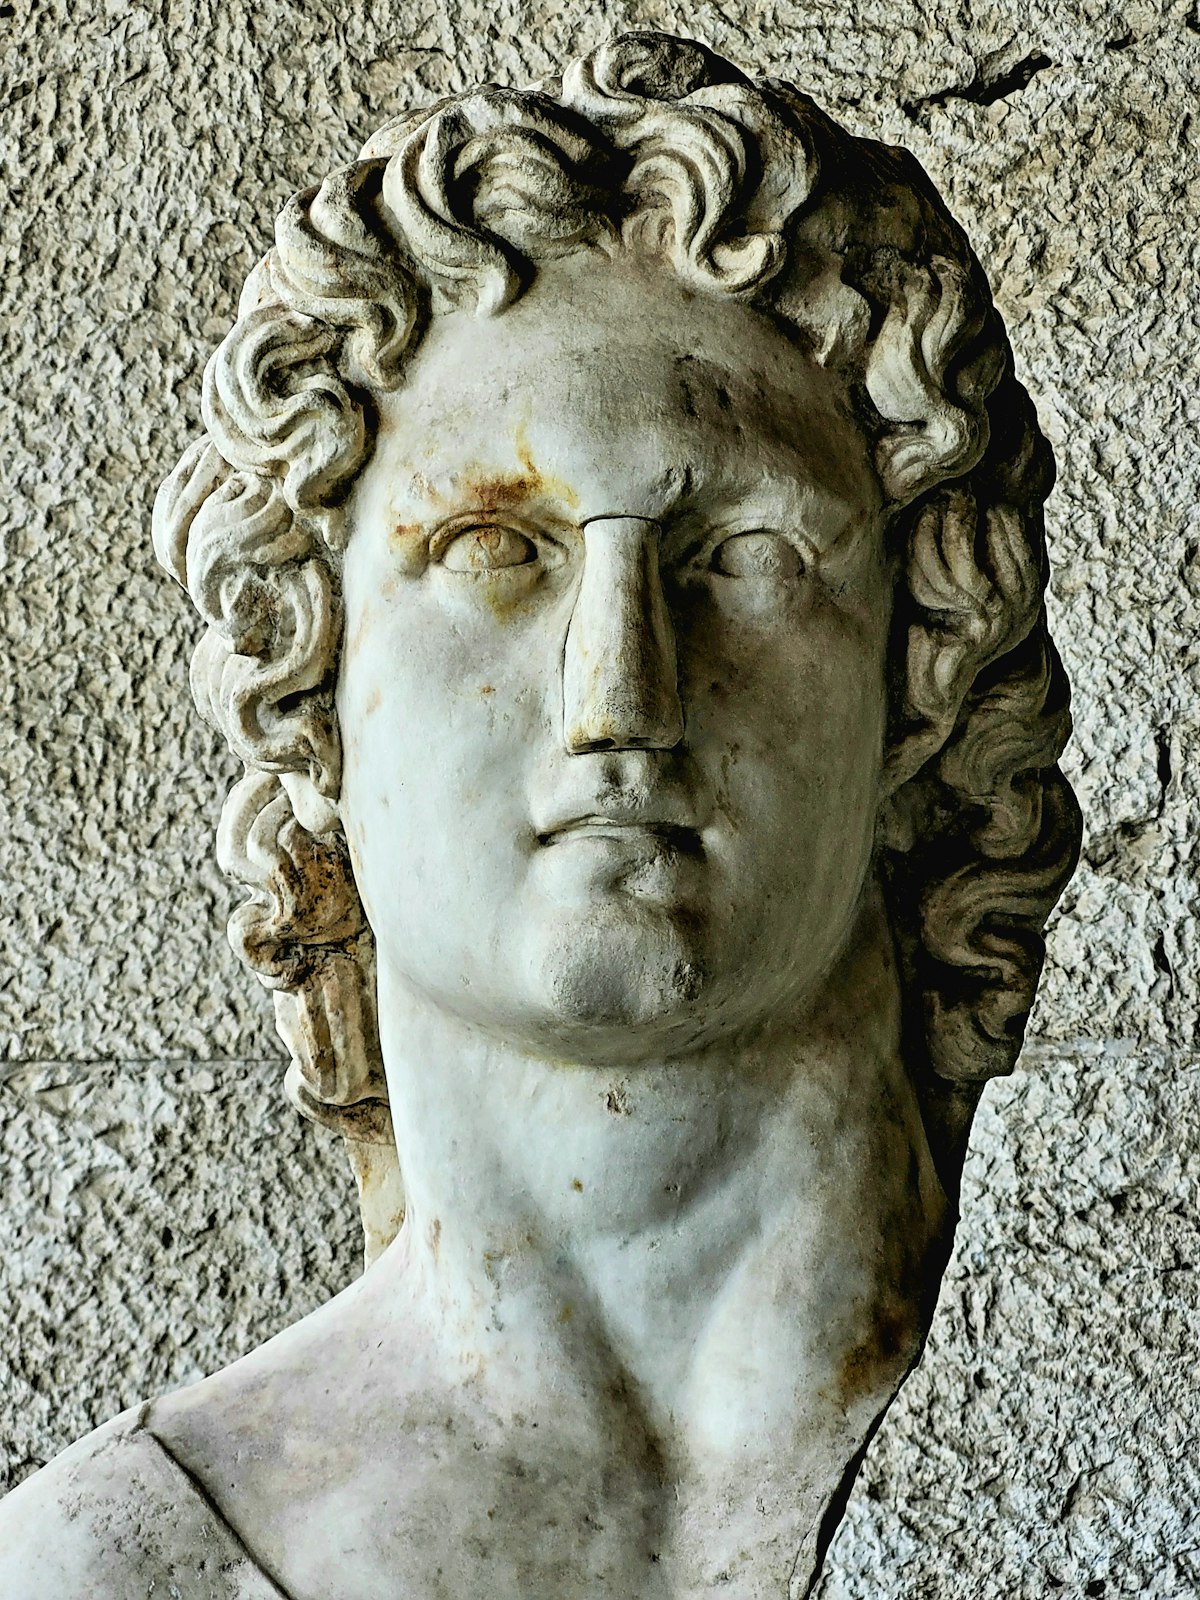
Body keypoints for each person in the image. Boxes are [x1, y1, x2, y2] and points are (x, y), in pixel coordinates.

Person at [0, 32, 1080, 1598]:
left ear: (923, 672)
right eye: (496, 550)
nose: (618, 692)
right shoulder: (113, 1573)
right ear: (315, 680)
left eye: (749, 556)